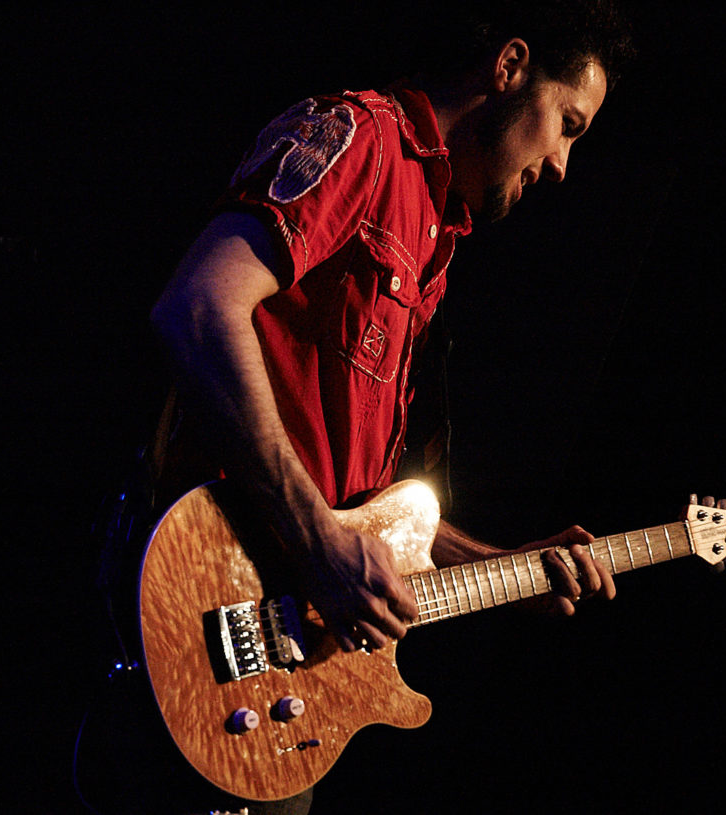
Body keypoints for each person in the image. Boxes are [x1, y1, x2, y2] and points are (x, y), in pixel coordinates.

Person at [78, 3, 650, 814]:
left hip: (284, 661)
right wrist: (316, 540)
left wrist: (514, 565)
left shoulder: (434, 240)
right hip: (202, 601)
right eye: (569, 123)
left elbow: (370, 519)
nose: (562, 162)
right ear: (510, 66)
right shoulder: (360, 138)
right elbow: (198, 306)